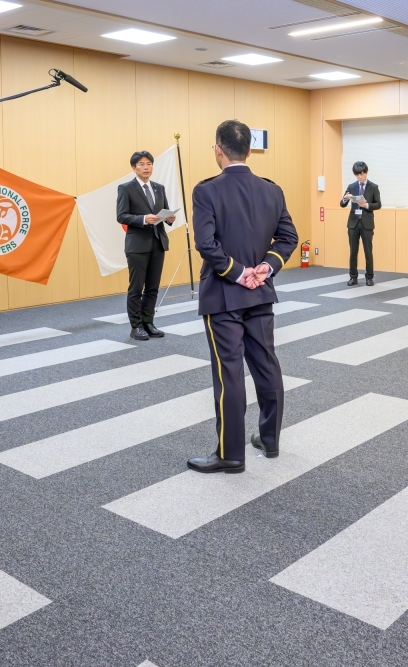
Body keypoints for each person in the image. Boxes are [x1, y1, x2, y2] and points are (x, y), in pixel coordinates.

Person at [186, 120, 299, 474]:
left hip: (223, 294)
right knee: (267, 365)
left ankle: (231, 454)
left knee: (229, 373)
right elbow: (288, 237)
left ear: (218, 150)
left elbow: (205, 244)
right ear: (249, 151)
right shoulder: (271, 190)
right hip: (261, 293)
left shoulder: (206, 191)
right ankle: (270, 439)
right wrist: (265, 268)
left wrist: (237, 272)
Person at [116, 151, 176, 341]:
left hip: (158, 242)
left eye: (149, 163)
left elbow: (163, 212)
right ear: (134, 168)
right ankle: (136, 326)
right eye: (141, 164)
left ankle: (148, 322)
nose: (146, 167)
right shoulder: (126, 188)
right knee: (136, 288)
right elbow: (121, 216)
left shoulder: (159, 188)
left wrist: (169, 218)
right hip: (137, 245)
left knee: (152, 287)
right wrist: (143, 219)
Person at [339, 161, 382, 286]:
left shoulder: (373, 187)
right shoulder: (351, 186)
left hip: (367, 222)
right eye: (357, 175)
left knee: (368, 251)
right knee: (353, 251)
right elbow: (342, 204)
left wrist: (366, 205)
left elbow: (378, 204)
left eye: (362, 174)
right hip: (353, 223)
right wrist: (344, 199)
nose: (360, 177)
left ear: (366, 172)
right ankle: (353, 277)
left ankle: (369, 277)